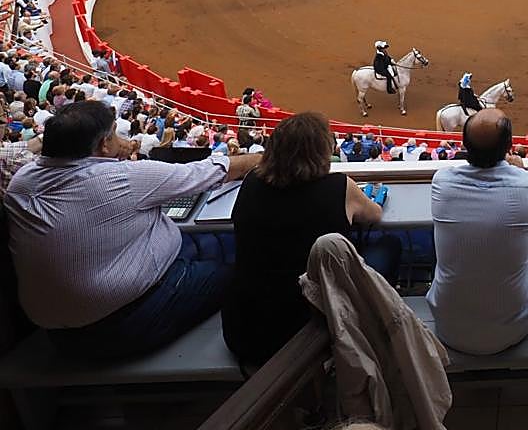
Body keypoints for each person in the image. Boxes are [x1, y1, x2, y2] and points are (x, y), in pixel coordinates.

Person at [4, 100, 260, 359]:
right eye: (114, 133)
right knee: (245, 271)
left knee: (204, 242)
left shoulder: (21, 182)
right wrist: (265, 158)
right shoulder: (122, 178)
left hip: (57, 335)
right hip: (125, 323)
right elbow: (215, 170)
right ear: (103, 144)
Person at [223, 112, 383, 364]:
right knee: (387, 248)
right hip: (313, 332)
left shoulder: (252, 182)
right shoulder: (340, 186)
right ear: (322, 153)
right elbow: (375, 214)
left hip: (243, 331)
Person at [426, 107, 528, 354]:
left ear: (465, 144)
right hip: (512, 329)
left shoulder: (441, 181)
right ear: (509, 146)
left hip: (447, 326)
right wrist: (521, 172)